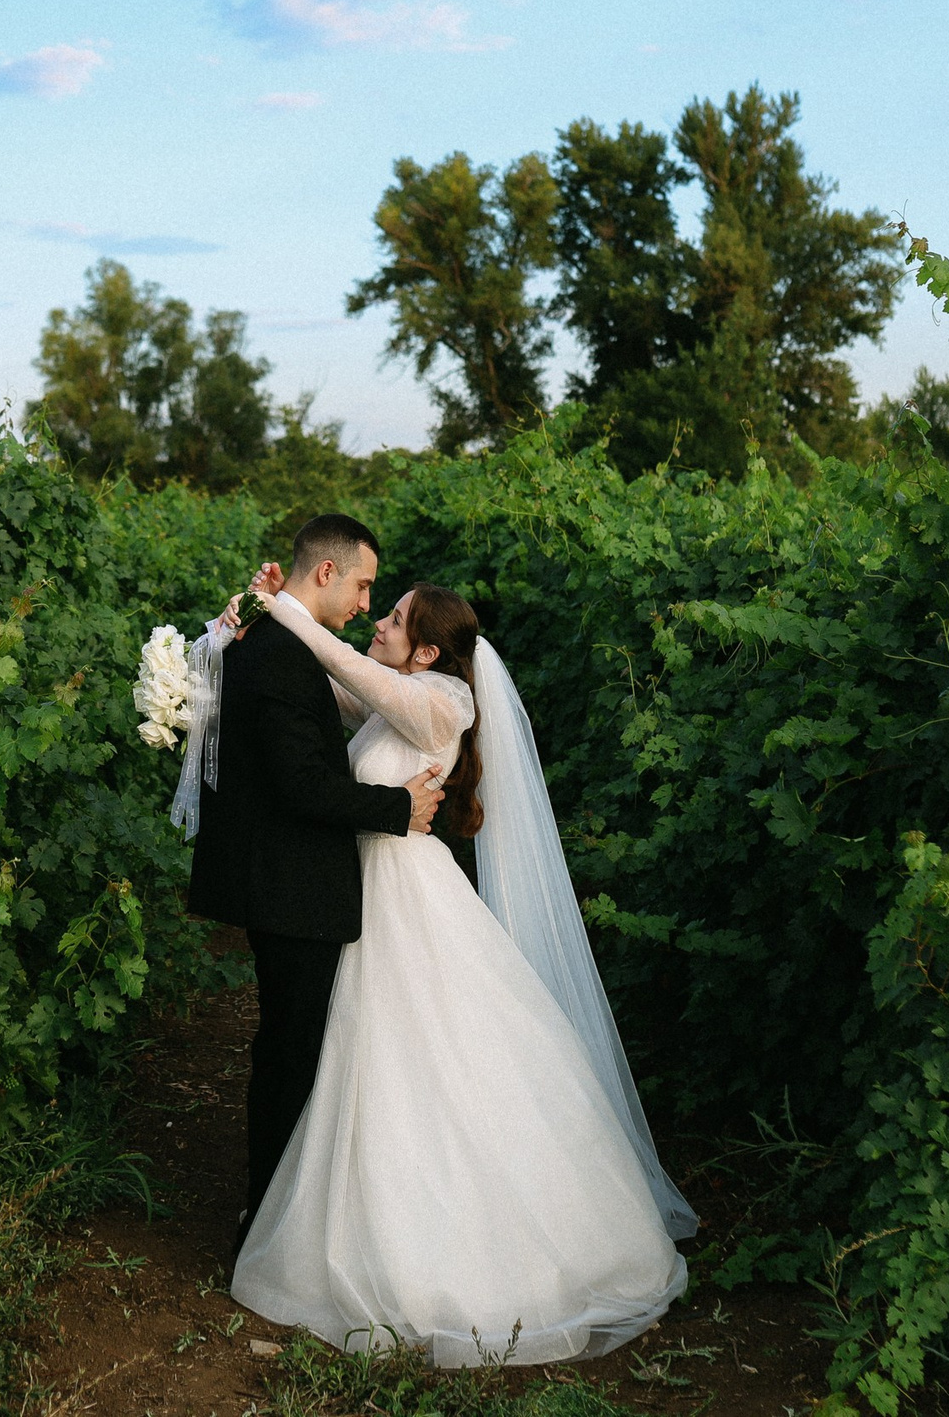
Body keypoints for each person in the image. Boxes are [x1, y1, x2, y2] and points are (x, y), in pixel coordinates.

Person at [190, 533, 693, 1365]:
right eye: (375, 602)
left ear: (427, 648)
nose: (376, 621)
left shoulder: (440, 704)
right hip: (366, 890)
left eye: (390, 615)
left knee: (431, 1054)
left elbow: (343, 668)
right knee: (359, 1054)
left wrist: (287, 611)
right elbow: (324, 686)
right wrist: (254, 620)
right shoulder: (398, 692)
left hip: (406, 889)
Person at [186, 514, 446, 1240]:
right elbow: (302, 784)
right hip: (293, 887)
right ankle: (269, 1221)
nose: (369, 602)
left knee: (296, 1049)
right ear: (325, 572)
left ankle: (282, 1210)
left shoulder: (281, 644)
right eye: (364, 585)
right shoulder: (277, 653)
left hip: (295, 883)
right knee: (292, 1055)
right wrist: (400, 805)